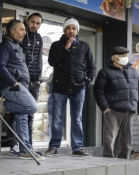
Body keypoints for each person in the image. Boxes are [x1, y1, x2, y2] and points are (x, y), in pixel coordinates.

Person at [45, 17, 96, 157]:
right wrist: (66, 48)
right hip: (60, 87)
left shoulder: (84, 46)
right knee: (57, 118)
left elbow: (92, 67)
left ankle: (77, 147)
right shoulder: (56, 45)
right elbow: (52, 61)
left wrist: (87, 82)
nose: (71, 31)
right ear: (64, 30)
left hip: (79, 87)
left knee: (77, 118)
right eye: (68, 28)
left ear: (77, 30)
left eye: (74, 28)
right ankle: (54, 146)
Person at [0, 20, 42, 160]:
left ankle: (25, 149)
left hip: (21, 85)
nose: (24, 33)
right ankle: (5, 104)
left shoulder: (17, 46)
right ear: (12, 31)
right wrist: (13, 82)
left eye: (24, 30)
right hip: (12, 86)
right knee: (32, 107)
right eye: (21, 30)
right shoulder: (6, 46)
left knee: (22, 114)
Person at [93, 46, 138, 158]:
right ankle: (107, 160)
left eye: (126, 55)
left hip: (129, 109)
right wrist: (105, 108)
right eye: (122, 56)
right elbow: (98, 91)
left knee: (127, 139)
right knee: (109, 138)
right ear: (115, 58)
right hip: (113, 110)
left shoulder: (133, 71)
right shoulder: (105, 72)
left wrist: (136, 105)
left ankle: (123, 161)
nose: (125, 58)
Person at [20, 13, 44, 155]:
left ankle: (29, 145)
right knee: (19, 113)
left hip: (35, 81)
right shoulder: (22, 36)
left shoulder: (39, 38)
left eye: (37, 23)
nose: (34, 25)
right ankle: (15, 145)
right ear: (27, 21)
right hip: (22, 81)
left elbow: (40, 58)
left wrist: (39, 78)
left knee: (31, 113)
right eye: (32, 22)